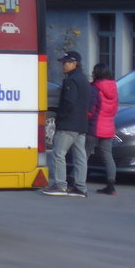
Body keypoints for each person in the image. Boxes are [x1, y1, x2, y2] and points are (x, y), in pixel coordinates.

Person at [42, 50, 92, 198]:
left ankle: (60, 185)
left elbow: (68, 102)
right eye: (63, 63)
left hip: (68, 124)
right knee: (80, 156)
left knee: (58, 153)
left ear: (74, 63)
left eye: (66, 62)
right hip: (81, 123)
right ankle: (80, 187)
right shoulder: (83, 79)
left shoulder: (71, 80)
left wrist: (60, 116)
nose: (63, 65)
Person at [86, 63, 119, 195]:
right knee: (108, 156)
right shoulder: (114, 88)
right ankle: (111, 186)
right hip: (109, 127)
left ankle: (76, 181)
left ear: (97, 73)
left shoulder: (95, 88)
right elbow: (115, 108)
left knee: (84, 154)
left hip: (94, 127)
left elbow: (90, 109)